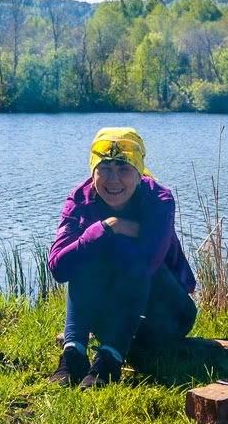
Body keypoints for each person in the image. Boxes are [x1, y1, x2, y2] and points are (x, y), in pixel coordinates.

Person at [47, 127, 197, 389]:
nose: (113, 179)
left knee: (131, 259)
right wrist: (106, 228)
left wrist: (106, 238)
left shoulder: (159, 200)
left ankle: (110, 360)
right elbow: (60, 268)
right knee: (86, 251)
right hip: (110, 317)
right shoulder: (79, 199)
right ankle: (73, 354)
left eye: (123, 168)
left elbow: (143, 267)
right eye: (104, 167)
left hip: (167, 317)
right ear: (93, 171)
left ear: (139, 174)